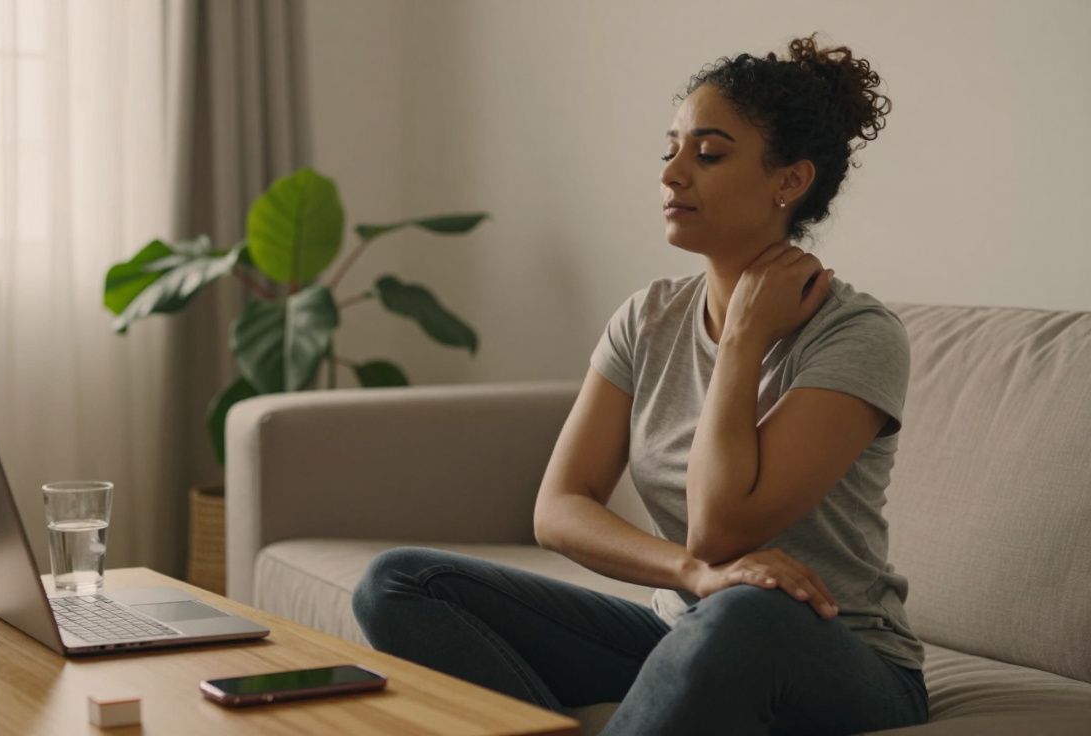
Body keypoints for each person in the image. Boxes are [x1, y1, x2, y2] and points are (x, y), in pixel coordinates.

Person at [351, 33, 928, 735]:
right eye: (672, 149)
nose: (673, 173)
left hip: (835, 655)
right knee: (401, 583)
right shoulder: (648, 316)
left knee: (748, 610)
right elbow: (560, 508)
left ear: (790, 181)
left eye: (708, 153)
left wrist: (743, 341)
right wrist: (688, 575)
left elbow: (723, 529)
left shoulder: (858, 335)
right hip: (683, 633)